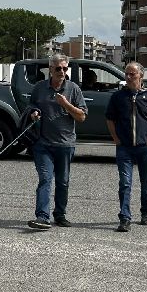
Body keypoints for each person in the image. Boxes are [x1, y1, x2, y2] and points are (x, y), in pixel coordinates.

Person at [26, 55, 88, 230]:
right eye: (58, 68)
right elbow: (31, 106)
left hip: (65, 144)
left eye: (64, 69)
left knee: (63, 182)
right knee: (45, 179)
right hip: (43, 144)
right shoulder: (39, 88)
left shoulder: (73, 89)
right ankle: (42, 217)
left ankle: (60, 215)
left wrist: (66, 104)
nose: (62, 72)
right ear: (50, 69)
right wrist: (34, 113)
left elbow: (82, 116)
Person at [105, 61, 147, 232]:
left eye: (133, 74)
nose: (129, 77)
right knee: (125, 183)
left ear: (141, 76)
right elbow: (109, 118)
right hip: (124, 148)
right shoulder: (118, 97)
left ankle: (145, 212)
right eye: (127, 74)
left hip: (145, 147)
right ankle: (125, 218)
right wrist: (116, 138)